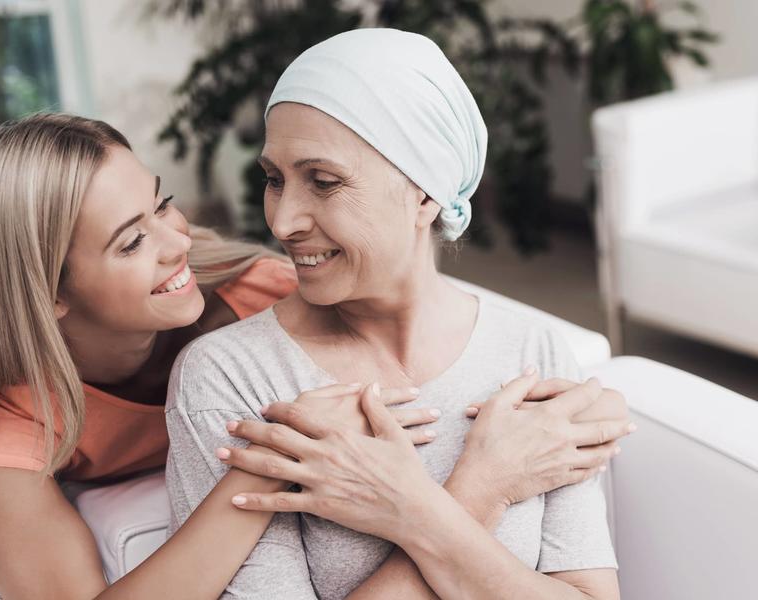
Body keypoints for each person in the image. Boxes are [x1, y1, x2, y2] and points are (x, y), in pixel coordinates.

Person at [165, 28, 626, 599]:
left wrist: (419, 512)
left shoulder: (531, 355)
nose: (282, 222)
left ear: (426, 192)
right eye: (274, 179)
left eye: (323, 181)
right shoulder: (233, 379)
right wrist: (478, 490)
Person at [0, 113, 440, 599]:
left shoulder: (265, 298)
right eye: (132, 242)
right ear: (47, 292)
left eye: (161, 205)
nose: (179, 242)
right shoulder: (11, 421)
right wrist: (270, 458)